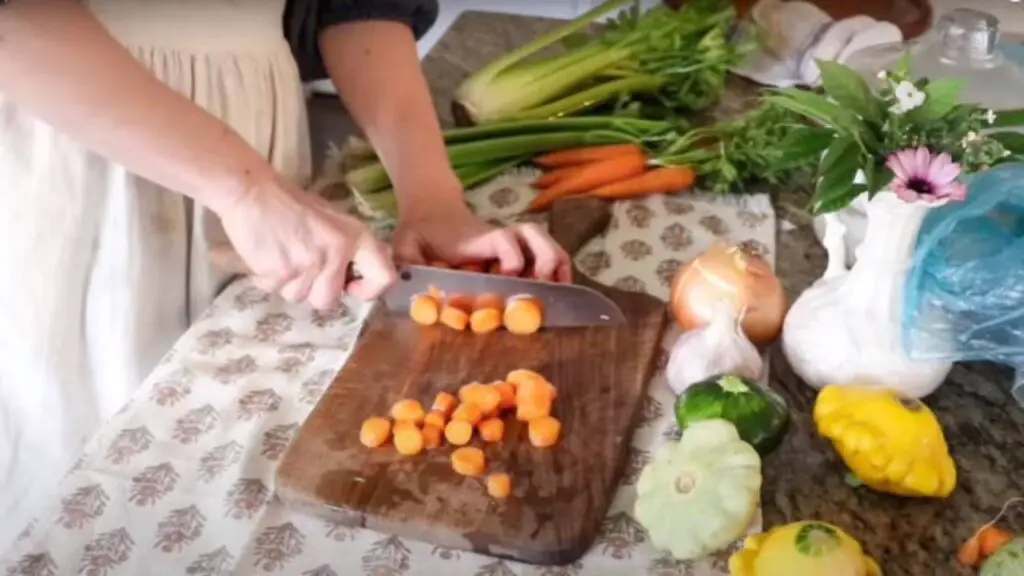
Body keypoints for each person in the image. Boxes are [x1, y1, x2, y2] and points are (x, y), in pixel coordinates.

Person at [0, 0, 571, 551]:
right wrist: (243, 189)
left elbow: (355, 6)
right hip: (83, 147)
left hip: (260, 147)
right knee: (88, 466)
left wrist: (431, 196)